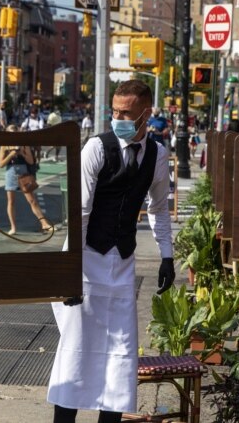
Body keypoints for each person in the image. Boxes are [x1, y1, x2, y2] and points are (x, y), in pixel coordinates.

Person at [47, 80, 175, 423]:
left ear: (146, 114)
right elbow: (82, 214)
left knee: (119, 355)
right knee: (76, 350)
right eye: (114, 111)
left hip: (122, 263)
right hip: (86, 257)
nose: (117, 117)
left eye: (126, 113)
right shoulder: (96, 148)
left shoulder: (158, 155)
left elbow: (159, 208)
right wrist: (71, 272)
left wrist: (167, 255)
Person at [0, 125, 53, 236]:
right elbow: (1, 164)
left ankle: (44, 223)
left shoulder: (23, 144)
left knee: (32, 200)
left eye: (15, 133)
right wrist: (12, 154)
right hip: (11, 173)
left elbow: (31, 161)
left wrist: (22, 152)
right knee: (11, 201)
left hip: (23, 173)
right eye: (10, 133)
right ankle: (13, 228)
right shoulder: (4, 145)